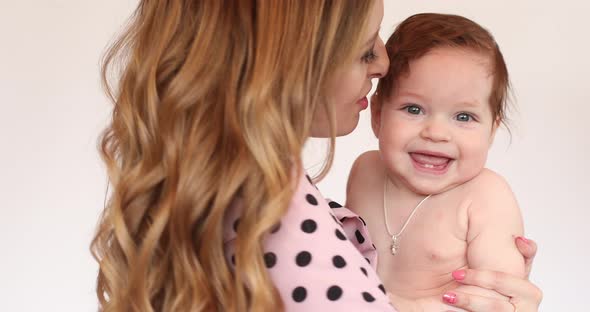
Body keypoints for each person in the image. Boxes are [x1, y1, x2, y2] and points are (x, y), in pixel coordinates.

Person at [90, 1, 542, 311]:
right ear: (290, 62)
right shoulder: (287, 200)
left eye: (464, 117)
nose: (383, 64)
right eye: (365, 47)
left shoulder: (223, 187)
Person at [346, 13, 537, 311]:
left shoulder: (486, 196)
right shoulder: (366, 171)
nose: (435, 133)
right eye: (413, 109)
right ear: (378, 115)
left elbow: (496, 300)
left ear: (491, 131)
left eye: (464, 116)